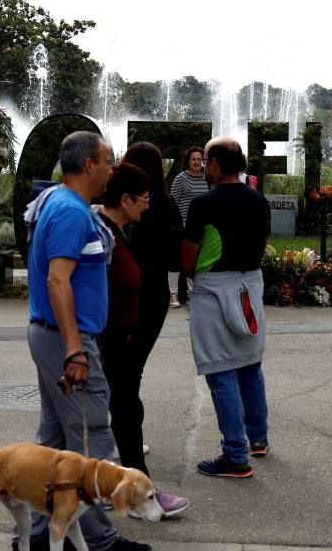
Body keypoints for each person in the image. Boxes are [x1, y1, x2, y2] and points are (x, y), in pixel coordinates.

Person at [22, 131, 152, 551]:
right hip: (67, 340)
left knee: (56, 438)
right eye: (108, 160)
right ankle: (97, 538)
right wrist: (76, 350)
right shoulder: (70, 213)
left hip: (58, 336)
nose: (113, 169)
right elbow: (57, 281)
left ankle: (38, 529)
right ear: (90, 165)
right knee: (90, 435)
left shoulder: (64, 205)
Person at [96, 163, 189, 518]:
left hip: (117, 339)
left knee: (124, 408)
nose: (148, 206)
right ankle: (133, 496)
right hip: (108, 342)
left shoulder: (119, 232)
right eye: (144, 199)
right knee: (120, 410)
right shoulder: (104, 234)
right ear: (125, 199)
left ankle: (131, 491)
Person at [181, 137, 271, 479]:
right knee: (250, 365)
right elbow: (262, 246)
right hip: (250, 285)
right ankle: (258, 439)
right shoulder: (258, 201)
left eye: (206, 161)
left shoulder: (204, 204)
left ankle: (235, 454)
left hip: (214, 290)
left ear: (215, 164)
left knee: (220, 371)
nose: (204, 167)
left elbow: (188, 258)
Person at [168, 146, 209, 306]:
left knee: (196, 260)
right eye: (194, 159)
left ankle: (193, 293)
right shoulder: (180, 178)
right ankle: (173, 295)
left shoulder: (206, 178)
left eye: (200, 159)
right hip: (182, 225)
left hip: (202, 227)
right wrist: (177, 224)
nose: (197, 162)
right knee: (176, 261)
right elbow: (173, 202)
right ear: (188, 161)